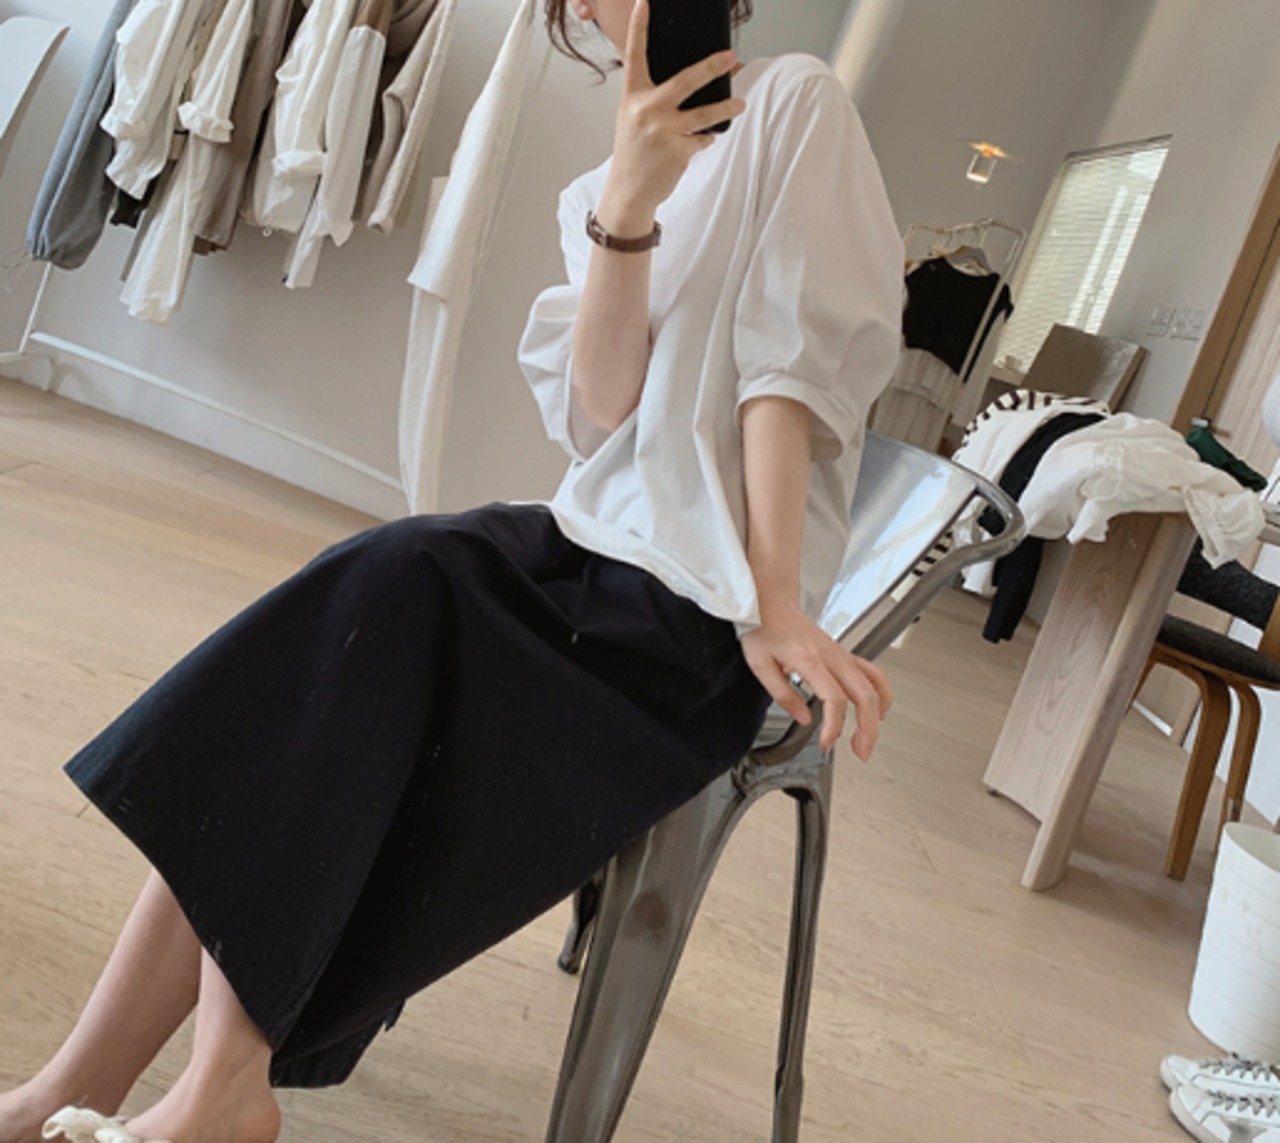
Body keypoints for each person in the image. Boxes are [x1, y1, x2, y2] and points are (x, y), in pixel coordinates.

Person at [0, 1, 902, 1140]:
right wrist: (629, 206)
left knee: (384, 596)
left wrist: (770, 600)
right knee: (344, 630)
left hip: (696, 615)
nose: (597, 8)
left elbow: (790, 370)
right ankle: (87, 1090)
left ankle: (211, 1089)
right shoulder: (603, 183)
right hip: (587, 548)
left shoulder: (794, 103)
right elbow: (601, 415)